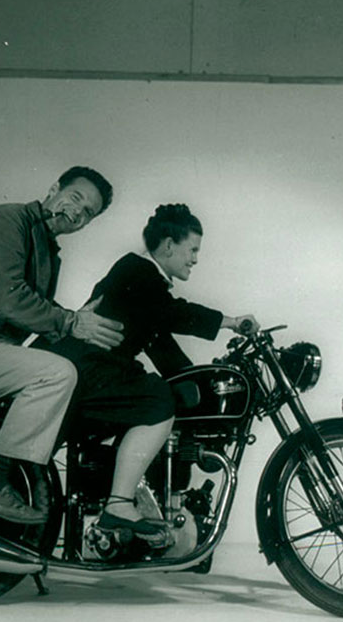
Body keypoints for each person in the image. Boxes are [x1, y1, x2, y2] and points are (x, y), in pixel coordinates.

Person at [39, 203, 258, 542]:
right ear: (168, 245)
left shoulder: (143, 285)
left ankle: (140, 501)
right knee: (157, 401)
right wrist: (231, 322)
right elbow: (172, 314)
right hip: (89, 373)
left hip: (90, 372)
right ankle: (119, 504)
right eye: (193, 249)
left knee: (164, 392)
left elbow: (162, 346)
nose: (196, 259)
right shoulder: (137, 270)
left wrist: (204, 379)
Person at [0, 166, 124, 525]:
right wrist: (69, 322)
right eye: (76, 198)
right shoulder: (8, 220)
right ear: (54, 189)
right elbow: (9, 300)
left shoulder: (48, 250)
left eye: (88, 213)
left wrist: (74, 323)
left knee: (69, 367)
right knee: (57, 375)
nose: (78, 212)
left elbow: (27, 315)